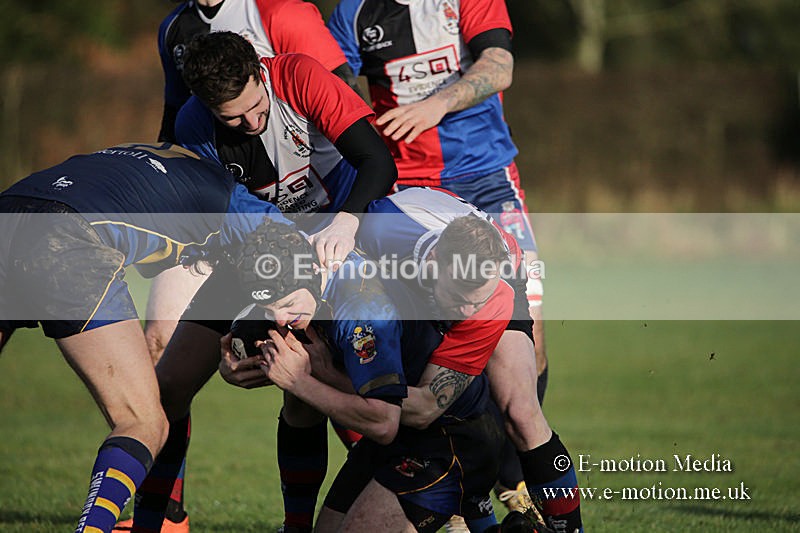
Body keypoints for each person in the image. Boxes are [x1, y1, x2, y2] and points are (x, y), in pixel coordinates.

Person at [122, 30, 397, 531]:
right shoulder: (192, 126)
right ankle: (152, 521)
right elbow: (229, 219)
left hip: (340, 245)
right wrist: (238, 332)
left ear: (260, 72)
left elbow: (378, 160)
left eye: (256, 107)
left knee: (306, 394)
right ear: (206, 107)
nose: (251, 123)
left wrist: (347, 220)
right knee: (169, 387)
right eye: (233, 118)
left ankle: (306, 523)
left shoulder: (301, 77)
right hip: (258, 249)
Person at [327, 0, 551, 523]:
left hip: (486, 179)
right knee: (389, 347)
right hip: (408, 191)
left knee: (529, 337)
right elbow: (336, 86)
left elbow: (500, 65)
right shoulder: (355, 12)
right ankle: (430, 478)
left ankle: (511, 481)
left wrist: (436, 105)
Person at [0, 142, 291, 533]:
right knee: (144, 422)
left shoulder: (143, 156)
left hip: (10, 208)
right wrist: (250, 337)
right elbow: (296, 262)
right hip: (66, 237)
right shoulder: (239, 204)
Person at [220, 217, 507, 532]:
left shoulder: (364, 312)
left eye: (287, 304)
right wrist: (237, 365)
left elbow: (383, 423)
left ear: (313, 272)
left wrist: (298, 381)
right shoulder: (292, 262)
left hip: (452, 440)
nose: (279, 319)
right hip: (396, 437)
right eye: (268, 308)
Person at [356, 188, 583, 533]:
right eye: (461, 298)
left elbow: (428, 403)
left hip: (498, 277)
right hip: (418, 262)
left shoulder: (492, 288)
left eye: (473, 302)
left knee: (521, 412)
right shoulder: (378, 234)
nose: (467, 311)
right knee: (428, 395)